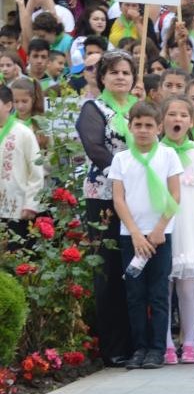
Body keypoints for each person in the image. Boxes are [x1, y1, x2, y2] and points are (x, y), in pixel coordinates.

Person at [109, 101, 183, 370]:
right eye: (137, 125)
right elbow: (119, 199)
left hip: (160, 235)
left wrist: (159, 228)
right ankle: (139, 347)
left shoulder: (168, 156)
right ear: (129, 127)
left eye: (148, 125)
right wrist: (135, 234)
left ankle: (157, 350)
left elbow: (175, 195)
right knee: (135, 294)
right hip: (132, 236)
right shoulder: (121, 159)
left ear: (159, 128)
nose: (142, 130)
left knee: (159, 293)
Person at [76, 51, 138, 368]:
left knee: (135, 269)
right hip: (104, 196)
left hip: (138, 198)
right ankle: (114, 346)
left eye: (126, 72)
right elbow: (97, 150)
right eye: (113, 72)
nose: (120, 77)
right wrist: (129, 174)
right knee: (110, 270)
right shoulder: (94, 108)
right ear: (102, 77)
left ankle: (138, 342)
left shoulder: (137, 110)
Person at [156, 96, 194, 365]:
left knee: (187, 285)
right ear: (162, 120)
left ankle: (189, 341)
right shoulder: (155, 150)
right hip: (165, 216)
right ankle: (166, 341)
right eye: (171, 114)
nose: (177, 119)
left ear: (190, 121)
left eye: (182, 115)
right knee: (163, 284)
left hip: (192, 216)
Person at [0, 84, 43, 233]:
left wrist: (31, 203)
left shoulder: (23, 133)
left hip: (16, 208)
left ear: (8, 105)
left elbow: (36, 170)